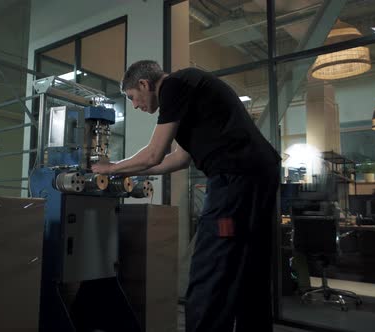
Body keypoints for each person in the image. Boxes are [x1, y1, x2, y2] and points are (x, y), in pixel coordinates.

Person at [92, 60, 280, 332]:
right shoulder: (189, 89)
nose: (134, 105)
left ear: (145, 84)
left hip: (236, 176)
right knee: (249, 264)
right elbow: (178, 158)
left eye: (132, 97)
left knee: (212, 265)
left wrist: (110, 168)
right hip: (257, 173)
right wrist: (124, 174)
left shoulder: (174, 85)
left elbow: (153, 153)